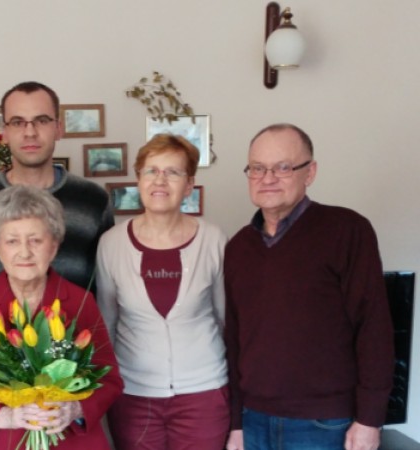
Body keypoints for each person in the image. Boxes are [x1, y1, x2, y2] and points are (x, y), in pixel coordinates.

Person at [224, 123, 394, 450]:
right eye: (257, 168)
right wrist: (236, 423)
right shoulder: (238, 248)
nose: (267, 178)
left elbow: (374, 328)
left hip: (326, 423)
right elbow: (233, 338)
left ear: (310, 172)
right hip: (253, 420)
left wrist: (370, 419)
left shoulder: (347, 230)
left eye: (283, 167)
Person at [0, 185, 123, 449]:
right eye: (12, 241)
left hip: (68, 441)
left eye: (36, 240)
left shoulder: (81, 301)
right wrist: (5, 417)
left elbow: (109, 380)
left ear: (54, 246)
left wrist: (75, 409)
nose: (24, 252)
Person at [96, 134, 229, 450]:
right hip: (134, 395)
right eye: (151, 170)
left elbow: (226, 320)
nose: (160, 180)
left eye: (173, 172)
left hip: (204, 393)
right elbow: (106, 324)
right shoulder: (111, 243)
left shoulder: (213, 240)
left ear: (189, 184)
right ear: (138, 179)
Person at [0, 81, 114, 307]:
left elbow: (105, 293)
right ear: (5, 132)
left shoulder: (94, 201)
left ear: (58, 128)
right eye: (18, 122)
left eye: (42, 120)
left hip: (83, 329)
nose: (30, 132)